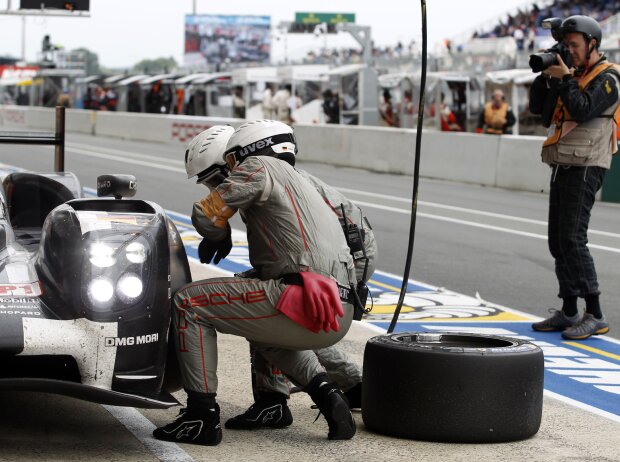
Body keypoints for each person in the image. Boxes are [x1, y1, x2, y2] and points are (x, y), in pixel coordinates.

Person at [154, 121, 357, 446]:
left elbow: (206, 215)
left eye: (216, 177)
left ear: (234, 158)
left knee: (189, 302)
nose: (214, 186)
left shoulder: (256, 167)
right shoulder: (297, 179)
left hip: (307, 296)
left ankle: (200, 416)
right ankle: (318, 393)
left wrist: (219, 232)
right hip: (337, 300)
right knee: (249, 304)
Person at [227, 133, 379, 430]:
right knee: (299, 317)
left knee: (278, 313)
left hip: (344, 259)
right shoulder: (285, 176)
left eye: (215, 176)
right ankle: (352, 385)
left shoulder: (264, 179)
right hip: (353, 253)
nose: (215, 185)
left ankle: (275, 400)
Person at [529, 15, 617, 339]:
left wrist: (565, 77)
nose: (571, 52)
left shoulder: (608, 78)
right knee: (557, 239)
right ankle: (568, 310)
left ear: (593, 45)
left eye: (575, 46)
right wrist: (547, 77)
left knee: (573, 238)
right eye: (566, 46)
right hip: (563, 162)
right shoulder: (571, 75)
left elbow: (583, 109)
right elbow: (540, 111)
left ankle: (595, 312)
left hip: (588, 164)